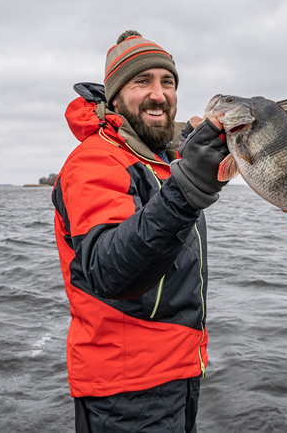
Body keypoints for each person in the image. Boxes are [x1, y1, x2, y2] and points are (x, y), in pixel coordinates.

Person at [52, 30, 229, 432]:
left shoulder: (161, 161)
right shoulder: (94, 161)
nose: (158, 94)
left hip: (179, 372)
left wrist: (192, 159)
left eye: (167, 82)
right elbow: (108, 270)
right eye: (141, 82)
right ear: (114, 97)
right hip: (126, 393)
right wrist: (186, 189)